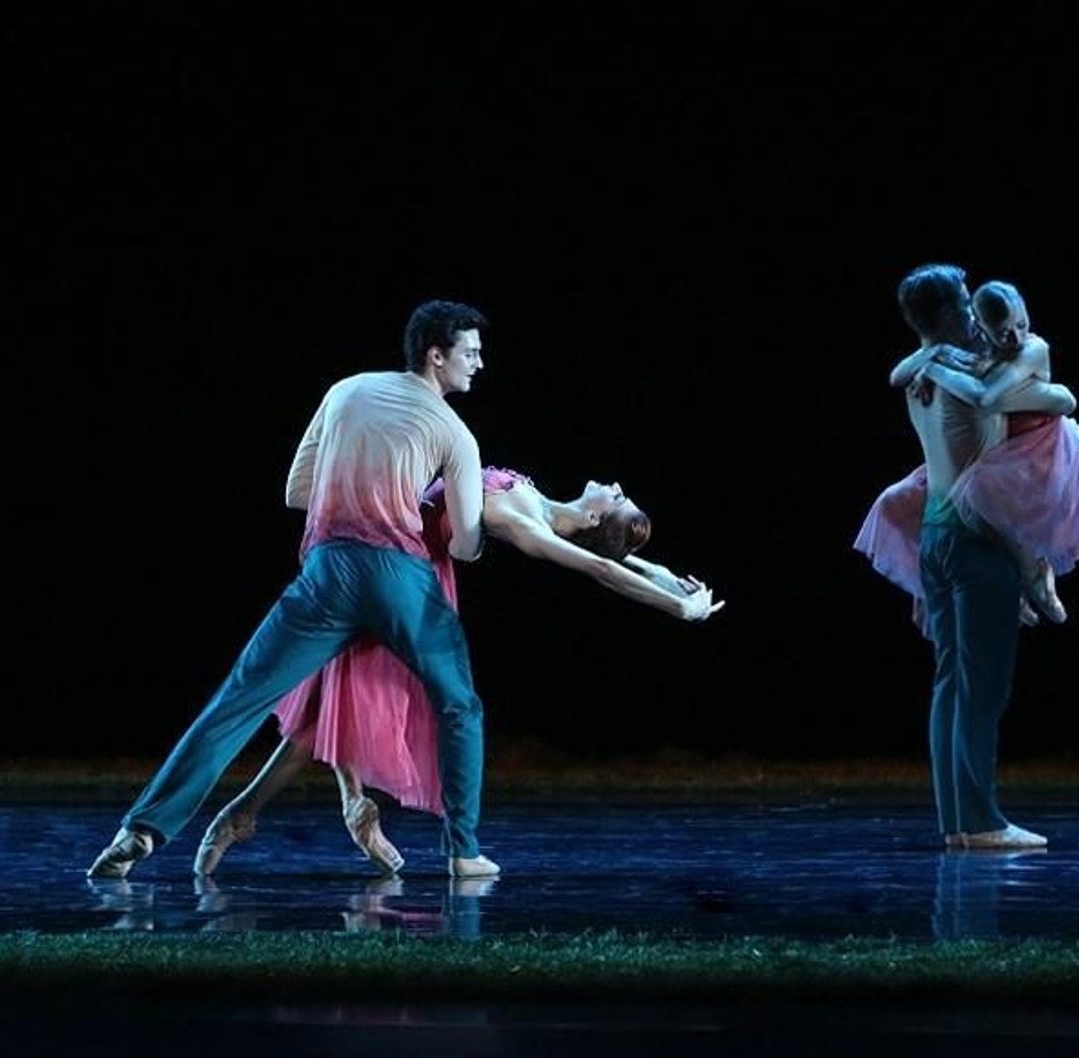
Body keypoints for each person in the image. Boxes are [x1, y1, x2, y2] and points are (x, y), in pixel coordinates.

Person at [87, 300, 501, 880]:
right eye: (471, 353)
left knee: (237, 701)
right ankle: (462, 851)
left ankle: (142, 829)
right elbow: (462, 545)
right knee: (459, 705)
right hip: (399, 579)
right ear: (437, 355)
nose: (479, 363)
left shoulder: (345, 391)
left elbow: (296, 491)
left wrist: (358, 493)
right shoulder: (456, 434)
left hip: (327, 573)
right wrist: (468, 522)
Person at [192, 468, 723, 876]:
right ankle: (317, 805)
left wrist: (675, 607)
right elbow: (611, 557)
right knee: (331, 702)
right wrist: (666, 578)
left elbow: (601, 567)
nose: (615, 485)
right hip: (375, 560)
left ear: (591, 519)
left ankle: (283, 809)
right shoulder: (539, 503)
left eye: (618, 497)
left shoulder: (525, 523)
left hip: (403, 585)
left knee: (340, 703)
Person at [888, 264, 1079, 851]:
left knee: (952, 683)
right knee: (981, 689)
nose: (974, 316)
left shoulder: (922, 376)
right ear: (945, 316)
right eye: (966, 306)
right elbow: (1051, 398)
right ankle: (980, 821)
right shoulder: (959, 375)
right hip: (977, 541)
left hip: (938, 538)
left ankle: (959, 823)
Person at [856, 280, 1079, 626]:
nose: (1014, 338)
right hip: (1003, 446)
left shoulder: (1030, 348)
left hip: (1035, 444)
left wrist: (936, 368)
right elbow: (897, 376)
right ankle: (984, 582)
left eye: (1020, 325)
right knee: (897, 500)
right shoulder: (980, 346)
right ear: (980, 322)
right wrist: (933, 355)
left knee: (976, 498)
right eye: (1002, 332)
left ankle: (1033, 573)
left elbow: (988, 397)